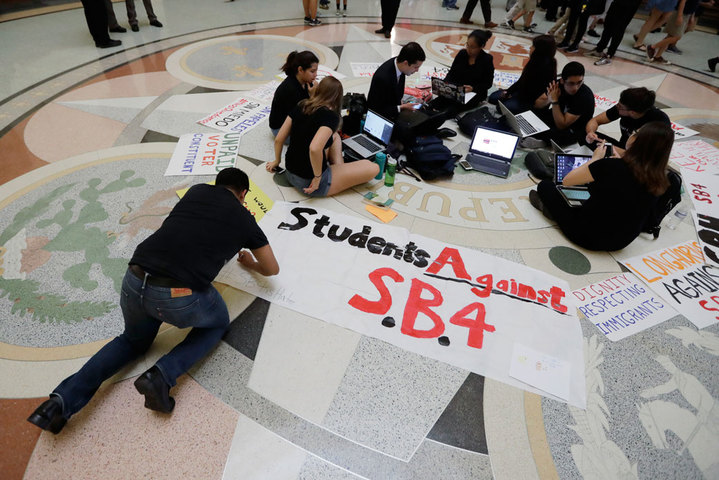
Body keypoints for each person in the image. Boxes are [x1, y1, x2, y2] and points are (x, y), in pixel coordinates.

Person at [27, 168, 279, 434]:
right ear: (243, 194)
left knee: (131, 341)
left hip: (134, 278)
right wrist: (250, 263)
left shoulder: (196, 191)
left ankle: (58, 404)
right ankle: (161, 375)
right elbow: (271, 268)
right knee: (217, 323)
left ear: (217, 184)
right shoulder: (244, 218)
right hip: (177, 293)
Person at [529, 122, 673, 251]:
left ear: (638, 142)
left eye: (634, 133)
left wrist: (595, 159)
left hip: (587, 237)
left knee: (545, 186)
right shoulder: (660, 179)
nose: (631, 135)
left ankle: (553, 212)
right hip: (622, 242)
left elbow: (567, 180)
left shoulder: (611, 166)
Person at [268, 77, 379, 197]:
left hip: (290, 172)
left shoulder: (302, 105)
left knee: (335, 136)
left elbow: (279, 138)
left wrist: (277, 161)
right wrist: (317, 177)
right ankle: (338, 173)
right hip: (310, 182)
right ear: (337, 97)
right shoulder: (331, 117)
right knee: (374, 168)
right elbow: (314, 148)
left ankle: (339, 169)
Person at [524, 61, 595, 171]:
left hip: (573, 129)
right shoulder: (556, 85)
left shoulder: (584, 97)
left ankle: (543, 141)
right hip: (557, 116)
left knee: (558, 133)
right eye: (571, 83)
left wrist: (555, 101)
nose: (575, 87)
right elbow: (537, 105)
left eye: (579, 82)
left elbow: (562, 125)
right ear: (562, 81)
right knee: (530, 113)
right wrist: (549, 98)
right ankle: (543, 137)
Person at [585, 87, 670, 152]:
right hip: (621, 147)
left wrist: (611, 149)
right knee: (584, 133)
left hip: (639, 160)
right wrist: (591, 132)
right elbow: (595, 121)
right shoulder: (623, 109)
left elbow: (645, 158)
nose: (617, 106)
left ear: (632, 112)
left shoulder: (659, 123)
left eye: (620, 107)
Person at [431, 30, 494, 114]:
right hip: (458, 89)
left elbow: (487, 83)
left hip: (474, 92)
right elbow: (452, 73)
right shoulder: (462, 54)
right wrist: (445, 85)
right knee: (438, 101)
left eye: (472, 47)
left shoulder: (487, 59)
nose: (468, 49)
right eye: (467, 45)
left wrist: (473, 88)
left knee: (452, 109)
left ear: (481, 46)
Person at [489, 34, 557, 114]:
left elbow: (532, 93)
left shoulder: (546, 68)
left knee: (501, 107)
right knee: (492, 98)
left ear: (539, 50)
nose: (530, 48)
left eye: (533, 46)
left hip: (531, 101)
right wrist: (508, 92)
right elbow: (521, 80)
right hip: (522, 93)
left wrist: (510, 96)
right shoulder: (534, 62)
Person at [367, 42, 426, 121]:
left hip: (393, 109)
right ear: (405, 63)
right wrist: (401, 108)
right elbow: (376, 110)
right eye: (415, 67)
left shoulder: (399, 66)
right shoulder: (383, 78)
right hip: (381, 119)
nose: (417, 70)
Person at [269, 51, 319, 136]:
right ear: (300, 70)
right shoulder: (291, 89)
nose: (316, 75)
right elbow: (305, 114)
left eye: (316, 71)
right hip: (280, 129)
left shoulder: (306, 81)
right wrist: (314, 96)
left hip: (294, 122)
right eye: (312, 71)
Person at [585, 0, 642, 65]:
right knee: (608, 23)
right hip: (617, 3)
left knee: (619, 29)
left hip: (629, 5)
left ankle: (609, 55)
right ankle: (599, 49)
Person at [646, 0, 700, 65]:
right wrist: (679, 16)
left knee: (670, 36)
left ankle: (657, 56)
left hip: (687, 14)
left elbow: (695, 3)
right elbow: (683, 1)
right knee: (676, 37)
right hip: (680, 13)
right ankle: (652, 47)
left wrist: (692, 16)